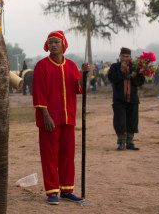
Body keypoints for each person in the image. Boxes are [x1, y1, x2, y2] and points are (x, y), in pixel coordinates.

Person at [32, 30, 89, 205]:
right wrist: (46, 115)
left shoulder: (71, 66)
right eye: (50, 43)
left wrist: (85, 74)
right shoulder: (41, 66)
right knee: (49, 156)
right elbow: (38, 93)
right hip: (49, 119)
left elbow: (79, 88)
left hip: (68, 117)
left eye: (56, 42)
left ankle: (67, 190)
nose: (53, 45)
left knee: (67, 155)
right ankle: (51, 191)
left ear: (63, 45)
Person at [108, 47, 146, 151]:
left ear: (130, 57)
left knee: (132, 121)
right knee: (120, 121)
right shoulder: (114, 67)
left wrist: (135, 77)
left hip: (132, 99)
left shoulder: (135, 67)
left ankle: (130, 142)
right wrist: (121, 70)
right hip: (119, 100)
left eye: (127, 57)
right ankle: (121, 142)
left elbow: (141, 82)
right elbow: (112, 79)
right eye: (123, 56)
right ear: (120, 56)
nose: (125, 58)